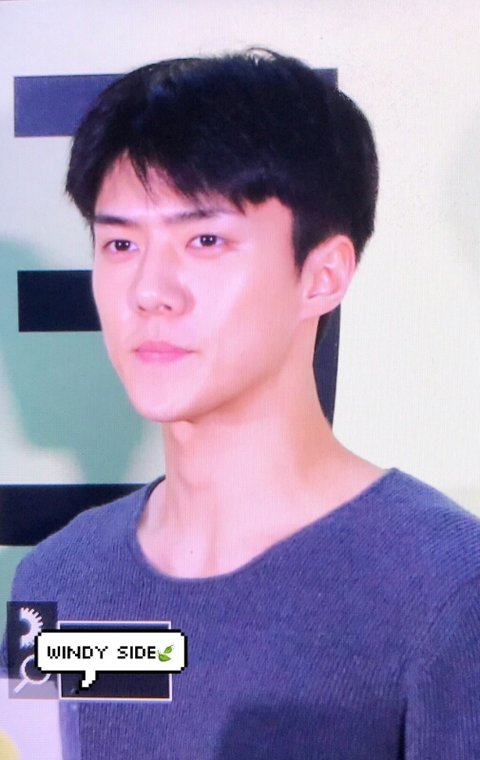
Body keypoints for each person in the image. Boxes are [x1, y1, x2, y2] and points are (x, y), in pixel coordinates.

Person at [2, 50, 480, 759]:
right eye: (121, 242)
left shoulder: (448, 590)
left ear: (322, 275)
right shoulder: (57, 581)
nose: (150, 291)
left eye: (205, 239)